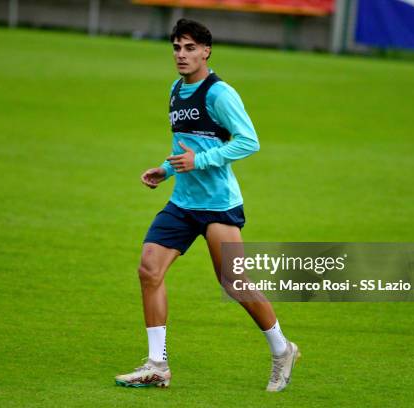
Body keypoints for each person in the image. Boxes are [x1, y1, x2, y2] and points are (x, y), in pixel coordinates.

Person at [115, 18, 299, 392]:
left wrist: (200, 162)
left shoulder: (220, 93)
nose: (181, 55)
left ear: (206, 51)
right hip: (182, 203)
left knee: (234, 283)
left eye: (189, 48)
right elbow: (186, 145)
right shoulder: (175, 90)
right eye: (176, 48)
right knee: (149, 270)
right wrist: (166, 169)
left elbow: (249, 141)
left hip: (217, 205)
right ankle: (157, 365)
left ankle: (283, 349)